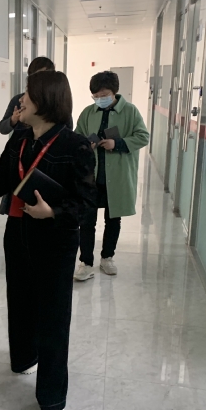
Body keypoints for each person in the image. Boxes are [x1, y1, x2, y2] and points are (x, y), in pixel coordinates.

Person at [0, 71, 96, 410]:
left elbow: (86, 205)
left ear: (46, 101)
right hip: (18, 233)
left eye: (28, 93)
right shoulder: (21, 138)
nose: (21, 99)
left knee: (53, 317)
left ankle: (52, 402)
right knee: (20, 301)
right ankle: (25, 357)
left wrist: (53, 212)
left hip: (55, 241)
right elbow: (5, 182)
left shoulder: (75, 146)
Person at [73, 71, 150, 280]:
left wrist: (118, 143)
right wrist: (85, 145)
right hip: (91, 177)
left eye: (104, 95)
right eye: (96, 96)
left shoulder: (130, 111)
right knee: (87, 221)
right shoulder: (88, 113)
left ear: (114, 92)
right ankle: (85, 262)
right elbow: (77, 136)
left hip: (116, 176)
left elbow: (143, 136)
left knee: (113, 219)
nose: (100, 99)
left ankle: (107, 257)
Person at [0, 57, 56, 135]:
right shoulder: (18, 100)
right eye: (32, 76)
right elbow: (2, 128)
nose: (35, 80)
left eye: (40, 76)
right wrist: (13, 120)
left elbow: (67, 129)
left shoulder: (56, 101)